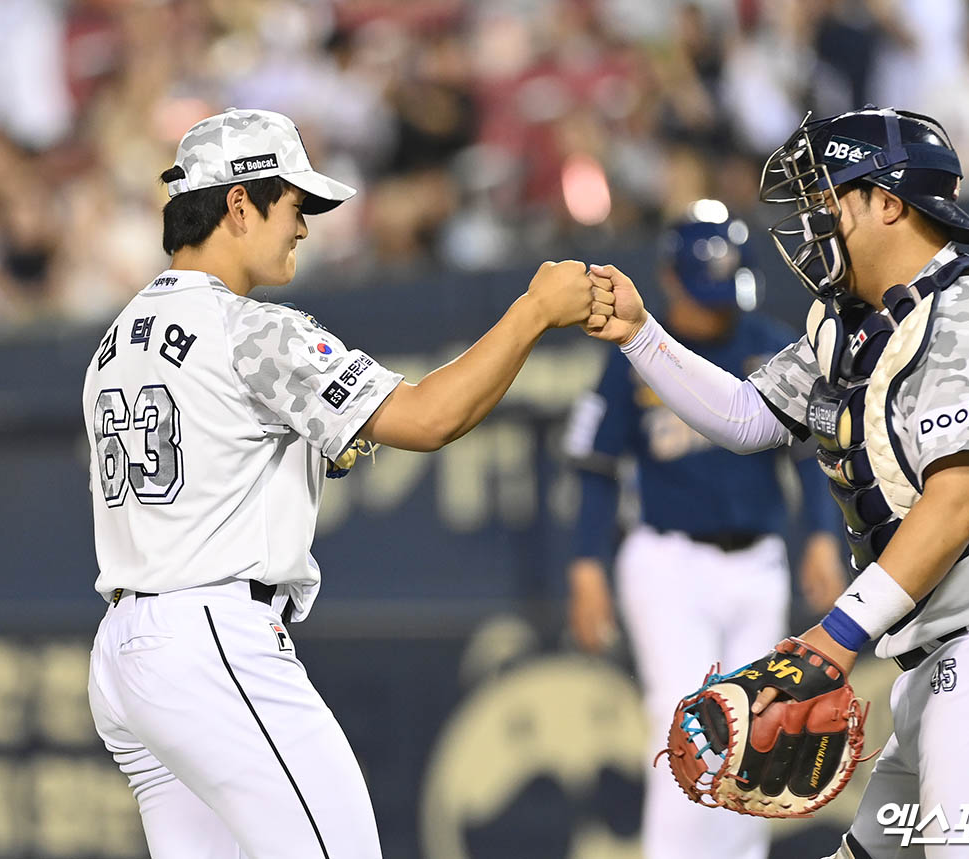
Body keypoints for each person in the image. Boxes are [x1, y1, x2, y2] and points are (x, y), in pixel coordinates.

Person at [587, 107, 969, 858]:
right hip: (948, 653)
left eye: (831, 197)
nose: (816, 221)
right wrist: (641, 334)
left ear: (890, 202)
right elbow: (746, 416)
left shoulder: (964, 311)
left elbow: (958, 501)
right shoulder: (854, 325)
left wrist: (833, 639)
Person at [82, 107, 605, 859]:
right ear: (239, 202)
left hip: (128, 653)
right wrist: (532, 313)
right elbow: (429, 418)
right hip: (212, 639)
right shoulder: (251, 328)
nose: (303, 226)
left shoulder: (111, 342)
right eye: (294, 203)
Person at [563, 200, 846, 859]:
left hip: (758, 562)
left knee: (756, 731)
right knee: (689, 722)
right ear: (668, 276)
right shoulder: (634, 354)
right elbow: (596, 465)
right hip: (669, 561)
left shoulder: (768, 343)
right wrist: (584, 563)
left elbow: (811, 455)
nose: (719, 304)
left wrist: (823, 536)